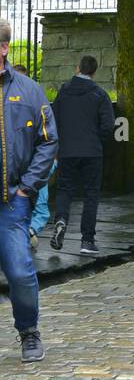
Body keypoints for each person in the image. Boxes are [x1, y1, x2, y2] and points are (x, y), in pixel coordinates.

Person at [0, 20, 58, 361]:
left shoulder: (30, 91)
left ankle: (29, 331)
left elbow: (48, 142)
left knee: (20, 271)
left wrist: (26, 190)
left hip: (11, 202)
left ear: (4, 48)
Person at [50, 55, 115, 257]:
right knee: (91, 195)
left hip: (67, 150)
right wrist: (97, 141)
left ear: (77, 68)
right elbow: (108, 125)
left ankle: (61, 219)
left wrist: (60, 143)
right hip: (91, 151)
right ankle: (87, 240)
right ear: (94, 71)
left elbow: (54, 119)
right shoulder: (100, 94)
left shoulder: (64, 91)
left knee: (65, 189)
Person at [12, 66, 56, 250]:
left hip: (29, 168)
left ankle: (26, 233)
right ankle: (28, 232)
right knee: (40, 208)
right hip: (31, 169)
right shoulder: (33, 100)